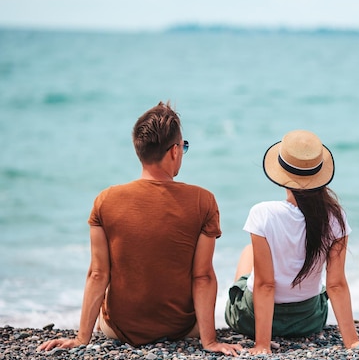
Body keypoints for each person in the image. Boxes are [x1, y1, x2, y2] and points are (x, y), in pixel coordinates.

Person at [38, 101, 242, 356]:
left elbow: (98, 274)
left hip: (120, 329)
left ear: (140, 151)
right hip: (181, 328)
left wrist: (82, 338)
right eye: (184, 146)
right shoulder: (203, 200)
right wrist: (209, 342)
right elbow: (203, 277)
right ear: (175, 151)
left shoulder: (106, 200)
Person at [225, 129, 359, 354]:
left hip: (251, 319)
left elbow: (265, 285)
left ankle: (262, 335)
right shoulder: (335, 217)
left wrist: (262, 345)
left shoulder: (263, 213)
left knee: (248, 254)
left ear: (281, 174)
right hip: (308, 320)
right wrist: (352, 342)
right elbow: (336, 284)